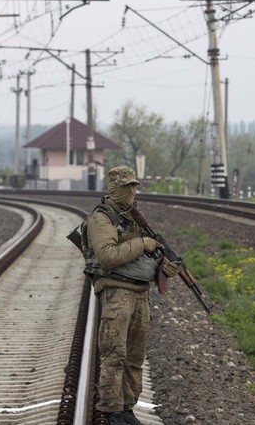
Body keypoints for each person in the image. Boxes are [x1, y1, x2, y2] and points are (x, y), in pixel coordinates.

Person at [80, 165, 179, 425]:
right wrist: (142, 243)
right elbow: (108, 256)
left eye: (134, 186)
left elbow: (146, 257)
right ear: (114, 188)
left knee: (135, 356)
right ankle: (112, 411)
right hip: (117, 292)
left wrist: (164, 268)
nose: (132, 191)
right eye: (127, 187)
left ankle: (127, 407)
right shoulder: (101, 219)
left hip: (140, 293)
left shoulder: (134, 218)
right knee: (114, 353)